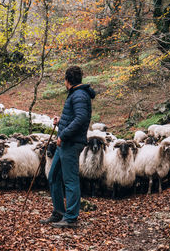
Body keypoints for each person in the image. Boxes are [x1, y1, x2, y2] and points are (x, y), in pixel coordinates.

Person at [40, 65, 96, 228]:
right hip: (65, 143)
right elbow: (74, 117)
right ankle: (59, 212)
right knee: (54, 176)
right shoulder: (76, 94)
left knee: (70, 180)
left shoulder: (79, 95)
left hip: (70, 143)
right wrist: (60, 123)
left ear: (67, 80)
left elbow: (80, 119)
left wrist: (63, 135)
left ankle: (71, 217)